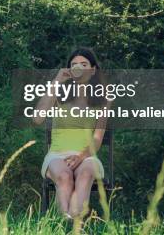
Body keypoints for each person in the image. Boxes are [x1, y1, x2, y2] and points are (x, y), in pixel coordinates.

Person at [33, 47, 110, 218]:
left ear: (92, 69)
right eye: (74, 64)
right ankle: (69, 221)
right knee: (64, 176)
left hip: (87, 156)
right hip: (57, 155)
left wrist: (80, 157)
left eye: (84, 64)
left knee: (85, 173)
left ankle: (71, 221)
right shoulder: (59, 94)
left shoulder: (103, 99)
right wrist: (57, 80)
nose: (79, 67)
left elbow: (97, 139)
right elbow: (37, 118)